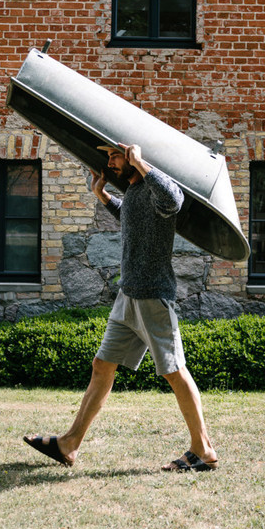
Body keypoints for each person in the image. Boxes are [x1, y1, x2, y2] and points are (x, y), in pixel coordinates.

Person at [23, 142, 219, 472]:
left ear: (133, 154)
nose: (111, 162)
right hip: (127, 296)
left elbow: (174, 201)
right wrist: (103, 197)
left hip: (153, 296)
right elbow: (130, 217)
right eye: (110, 157)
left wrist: (142, 163)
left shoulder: (157, 185)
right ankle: (69, 444)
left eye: (116, 155)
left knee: (174, 370)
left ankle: (203, 450)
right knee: (102, 365)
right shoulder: (135, 193)